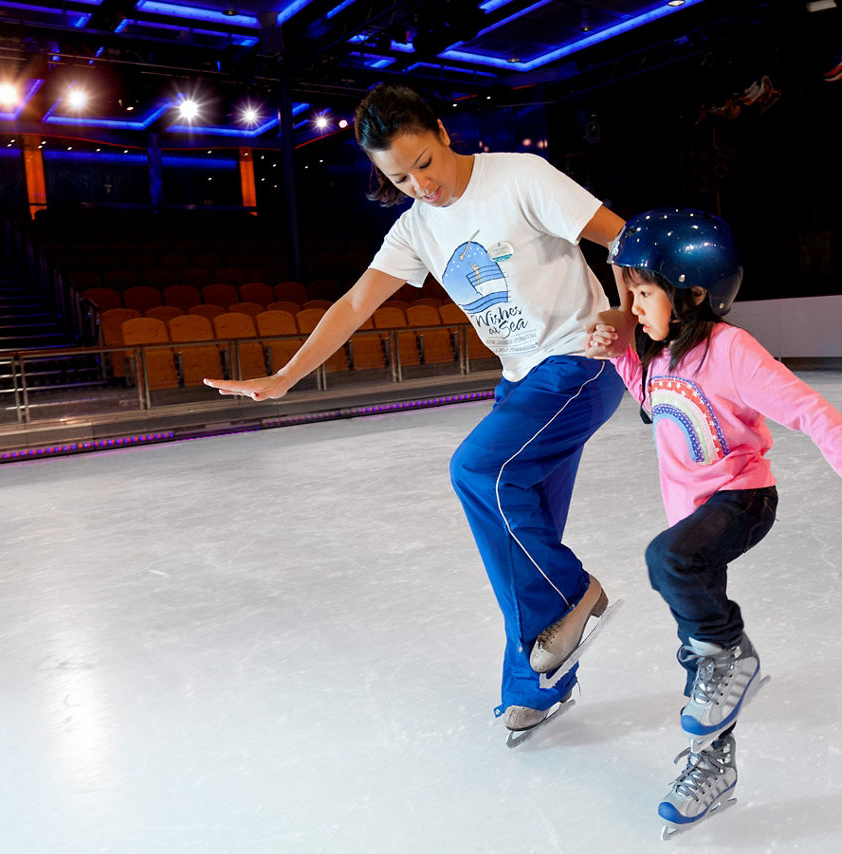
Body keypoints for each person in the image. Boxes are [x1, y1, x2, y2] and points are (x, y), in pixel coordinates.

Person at [204, 84, 632, 740]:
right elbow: (353, 304)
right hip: (522, 382)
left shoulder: (519, 176)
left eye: (424, 162)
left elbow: (624, 239)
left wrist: (627, 314)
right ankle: (538, 682)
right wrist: (288, 375)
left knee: (478, 472)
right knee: (518, 538)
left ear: (441, 129)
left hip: (578, 365)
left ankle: (575, 595)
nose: (420, 185)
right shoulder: (415, 227)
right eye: (398, 177)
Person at [586, 208, 842, 837]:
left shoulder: (730, 350)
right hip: (692, 519)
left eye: (642, 289)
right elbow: (652, 402)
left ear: (692, 293)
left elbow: (805, 407)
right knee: (700, 663)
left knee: (671, 566)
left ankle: (734, 653)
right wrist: (620, 358)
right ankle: (711, 767)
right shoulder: (660, 355)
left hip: (742, 499)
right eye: (628, 289)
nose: (630, 303)